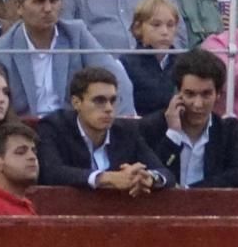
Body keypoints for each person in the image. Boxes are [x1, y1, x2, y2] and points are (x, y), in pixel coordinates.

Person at [0, 0, 136, 117]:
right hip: (25, 131)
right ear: (19, 7)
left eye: (54, 0)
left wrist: (120, 126)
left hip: (72, 128)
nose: (48, 9)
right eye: (39, 1)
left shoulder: (76, 33)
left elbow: (117, 78)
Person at [36, 66, 171, 192]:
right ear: (76, 103)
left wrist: (149, 178)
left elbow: (165, 173)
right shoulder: (54, 127)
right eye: (99, 101)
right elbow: (51, 173)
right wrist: (103, 178)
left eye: (112, 101)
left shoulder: (127, 131)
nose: (109, 108)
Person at [138, 48, 238, 187]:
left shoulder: (227, 130)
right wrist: (173, 135)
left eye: (206, 94)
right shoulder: (152, 126)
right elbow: (150, 174)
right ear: (178, 93)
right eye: (190, 94)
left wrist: (191, 192)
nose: (198, 104)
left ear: (218, 94)